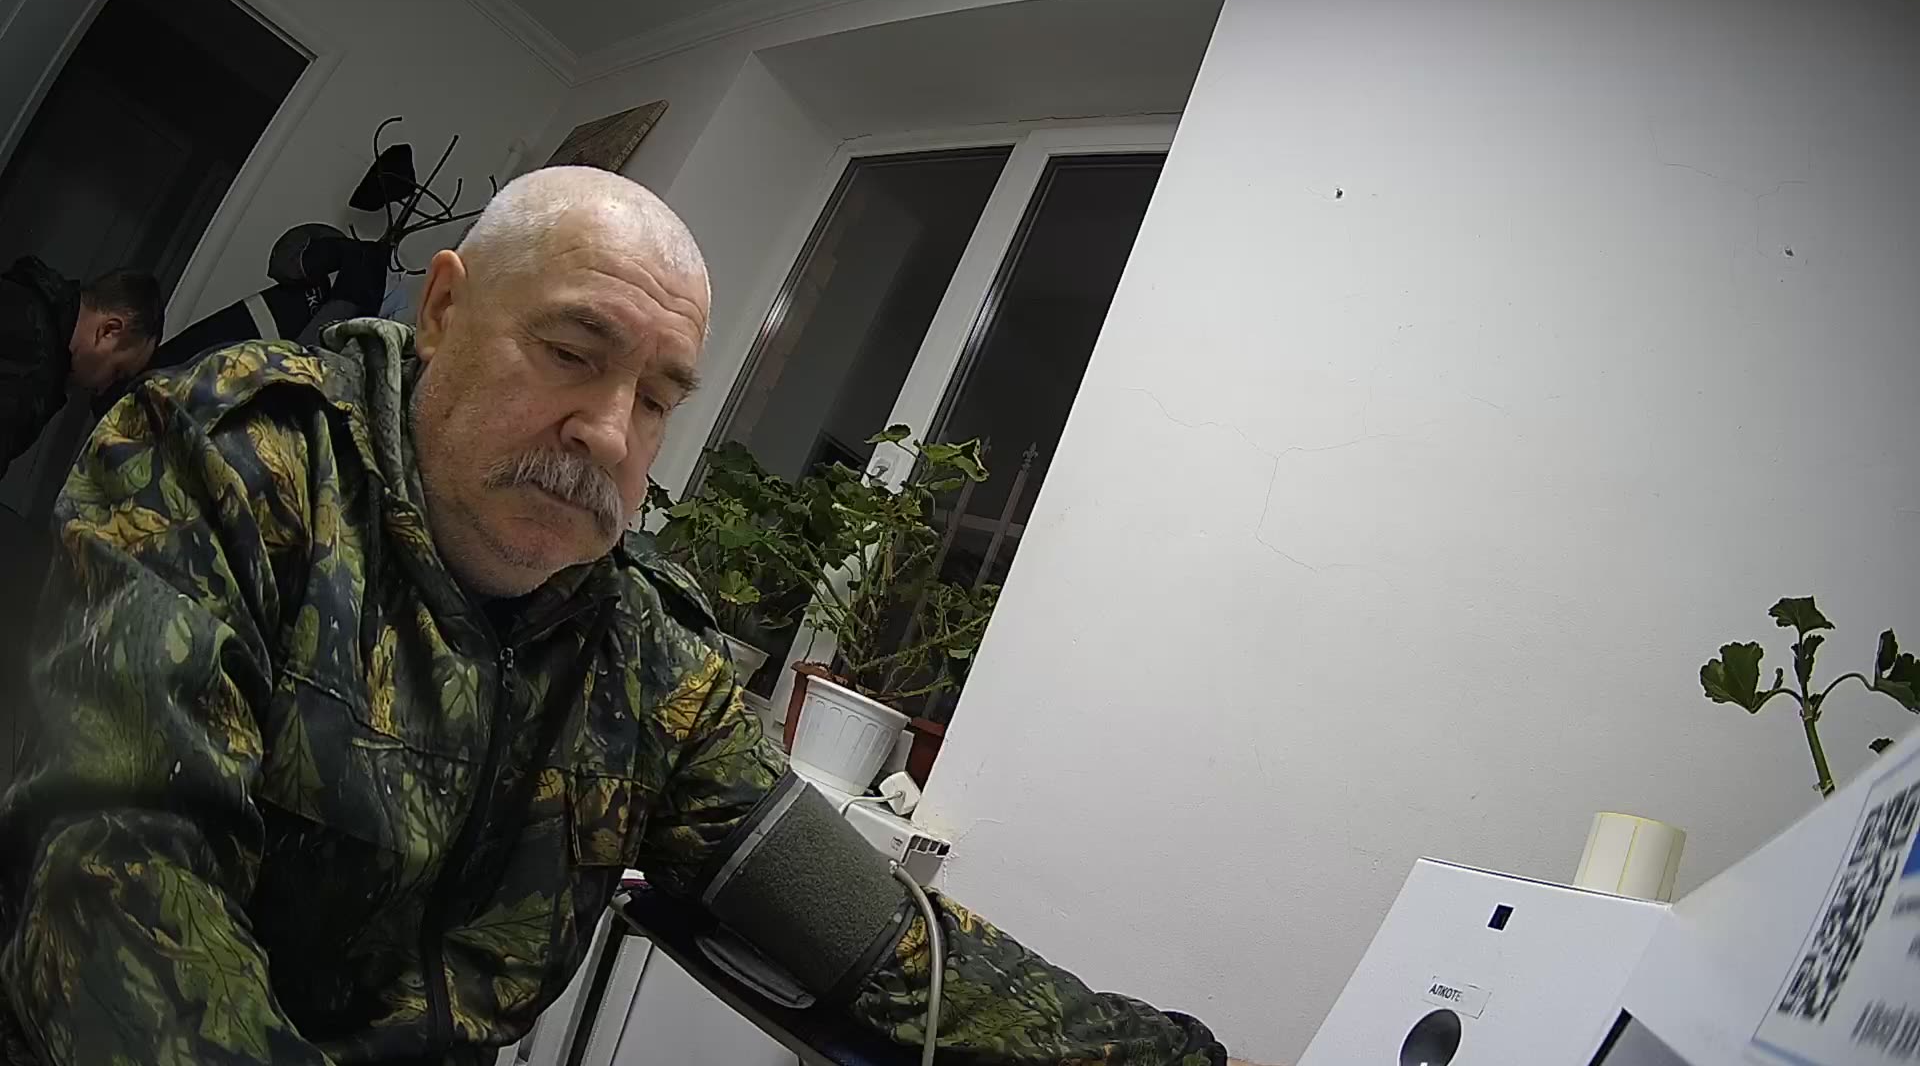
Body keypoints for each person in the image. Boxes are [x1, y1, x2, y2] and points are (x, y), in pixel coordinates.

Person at [0, 167, 1263, 1066]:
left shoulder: (642, 652)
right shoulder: (233, 459)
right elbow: (118, 889)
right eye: (572, 352)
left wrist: (1178, 1057)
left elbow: (873, 940)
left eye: (657, 397)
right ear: (444, 310)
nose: (611, 434)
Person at [0, 259, 162, 468]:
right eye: (117, 372)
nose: (103, 389)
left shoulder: (24, 293)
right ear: (109, 331)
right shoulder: (34, 366)